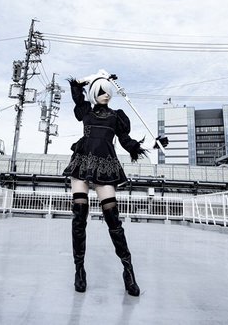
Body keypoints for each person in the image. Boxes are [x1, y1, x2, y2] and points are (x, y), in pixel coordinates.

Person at [62, 69, 168, 296]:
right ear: (93, 92)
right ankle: (79, 270)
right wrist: (94, 77)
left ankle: (128, 271)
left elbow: (127, 142)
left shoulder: (116, 116)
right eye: (101, 91)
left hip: (106, 166)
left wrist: (152, 144)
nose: (106, 94)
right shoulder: (85, 111)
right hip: (82, 163)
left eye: (108, 91)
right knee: (79, 218)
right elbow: (76, 87)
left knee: (113, 220)